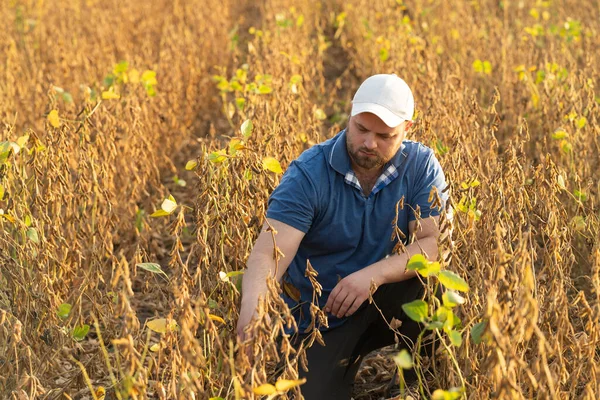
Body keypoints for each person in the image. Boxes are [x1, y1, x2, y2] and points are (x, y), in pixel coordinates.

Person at [237, 74, 449, 399]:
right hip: (325, 314)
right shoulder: (309, 174)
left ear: (407, 129)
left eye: (384, 136)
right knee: (315, 393)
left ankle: (415, 379)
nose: (369, 143)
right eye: (361, 129)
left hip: (383, 293)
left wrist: (371, 276)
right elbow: (269, 254)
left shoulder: (421, 165)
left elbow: (433, 242)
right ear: (350, 115)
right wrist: (252, 317)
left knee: (436, 287)